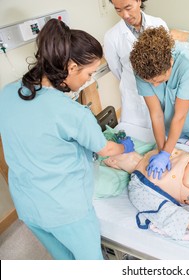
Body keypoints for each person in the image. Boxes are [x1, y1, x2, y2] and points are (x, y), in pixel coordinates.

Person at [0, 19, 135, 260]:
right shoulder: (72, 113)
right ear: (72, 67)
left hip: (27, 205)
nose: (90, 80)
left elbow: (37, 136)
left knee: (63, 261)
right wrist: (124, 146)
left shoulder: (7, 93)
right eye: (90, 73)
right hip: (65, 211)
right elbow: (104, 149)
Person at [130, 26, 189, 179]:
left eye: (159, 81)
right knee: (177, 156)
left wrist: (165, 153)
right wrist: (162, 150)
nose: (155, 86)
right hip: (169, 120)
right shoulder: (141, 69)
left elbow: (180, 116)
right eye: (150, 83)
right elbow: (156, 114)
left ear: (170, 62)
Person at [104, 0, 168, 138]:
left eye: (128, 7)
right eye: (118, 10)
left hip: (159, 90)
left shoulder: (159, 24)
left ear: (139, 1)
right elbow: (116, 69)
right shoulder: (112, 37)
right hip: (133, 96)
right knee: (138, 140)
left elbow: (166, 60)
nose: (125, 15)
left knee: (163, 134)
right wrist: (135, 82)